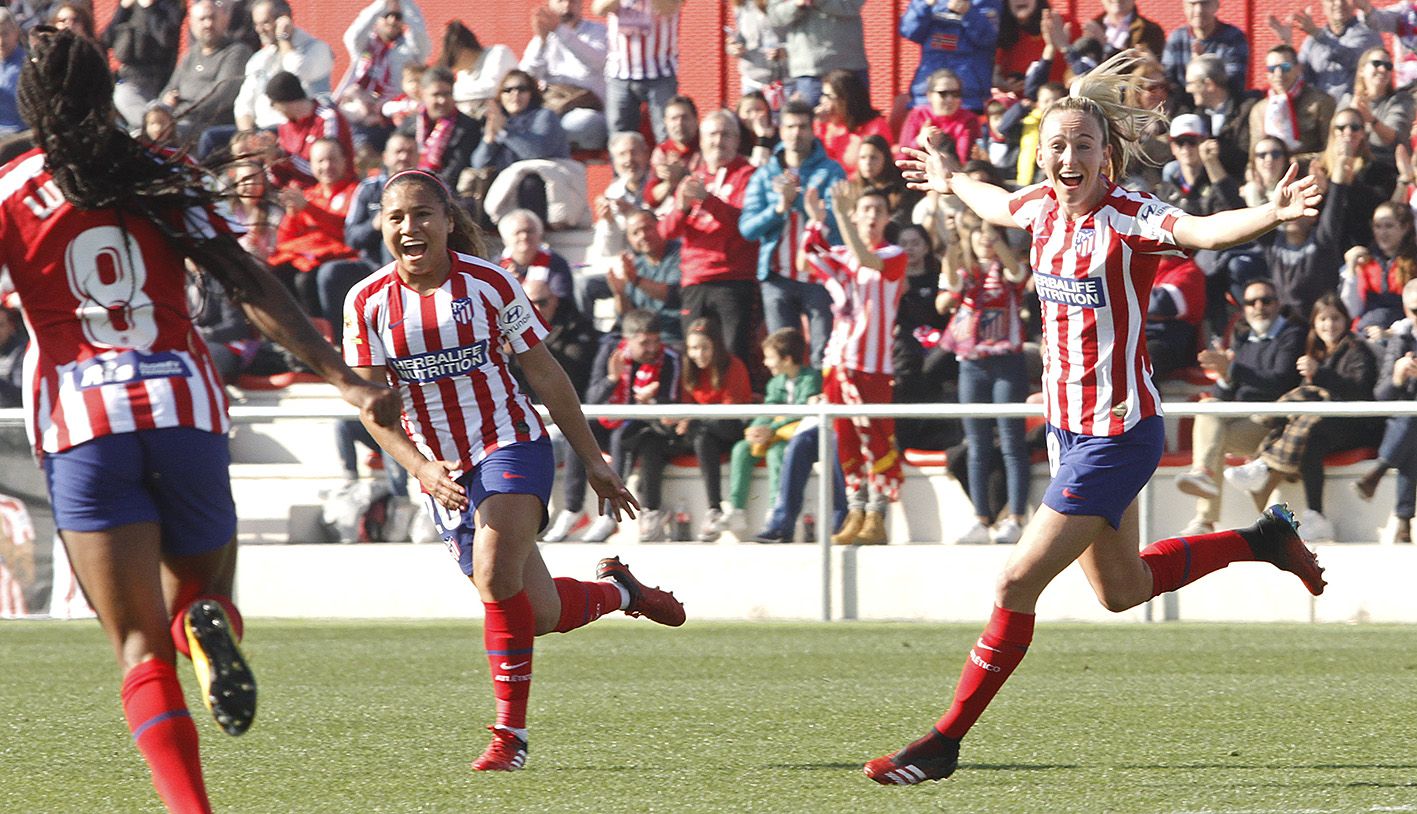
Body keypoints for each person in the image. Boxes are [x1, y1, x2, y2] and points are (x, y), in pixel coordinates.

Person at [869, 50, 1327, 786]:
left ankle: (944, 740)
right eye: (1055, 145)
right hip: (1071, 433)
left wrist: (1272, 212)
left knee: (1015, 583)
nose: (1067, 156)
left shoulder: (1129, 216)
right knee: (1120, 593)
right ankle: (1260, 538)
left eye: (1082, 144)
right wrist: (951, 179)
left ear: (1105, 156)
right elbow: (992, 202)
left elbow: (1204, 231)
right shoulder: (1037, 210)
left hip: (1118, 434)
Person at [0, 29, 398, 812]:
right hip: (183, 403)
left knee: (139, 645)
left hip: (84, 419)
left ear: (32, 102)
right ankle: (206, 621)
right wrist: (344, 379)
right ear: (106, 87)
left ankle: (192, 808)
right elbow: (248, 279)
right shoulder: (161, 170)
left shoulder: (11, 192)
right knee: (201, 602)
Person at [343, 168, 682, 771]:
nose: (410, 227)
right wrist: (420, 468)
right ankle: (620, 591)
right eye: (396, 217)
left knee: (495, 573)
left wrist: (592, 457)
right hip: (440, 471)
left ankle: (510, 739)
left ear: (449, 221)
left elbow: (544, 372)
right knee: (538, 611)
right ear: (382, 227)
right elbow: (372, 405)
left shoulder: (490, 285)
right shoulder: (366, 301)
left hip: (510, 443)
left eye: (423, 214)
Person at [1222, 294, 1378, 542]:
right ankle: (1316, 515)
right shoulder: (1313, 350)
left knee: (1310, 397)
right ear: (1314, 323)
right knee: (1310, 431)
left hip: (1354, 424)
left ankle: (1264, 458)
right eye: (1323, 319)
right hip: (1320, 425)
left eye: (1335, 318)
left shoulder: (1356, 349)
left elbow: (1359, 391)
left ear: (1346, 320)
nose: (1329, 325)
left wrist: (1320, 374)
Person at [801, 182, 907, 546]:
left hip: (873, 365)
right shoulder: (843, 251)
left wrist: (841, 219)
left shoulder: (895, 253)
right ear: (856, 214)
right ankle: (856, 510)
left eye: (878, 210)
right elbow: (809, 257)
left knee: (876, 439)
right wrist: (816, 220)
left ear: (888, 217)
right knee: (845, 441)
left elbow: (868, 260)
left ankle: (878, 514)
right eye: (865, 210)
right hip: (838, 360)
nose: (872, 217)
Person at [1176, 278, 1307, 534]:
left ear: (1278, 304)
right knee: (1209, 406)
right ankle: (1203, 491)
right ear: (1243, 308)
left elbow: (1280, 379)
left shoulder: (1293, 335)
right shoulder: (1244, 339)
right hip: (1243, 419)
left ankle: (1205, 513)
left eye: (1266, 300)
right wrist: (1225, 376)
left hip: (1274, 424)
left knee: (1212, 422)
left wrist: (1233, 368)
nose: (1259, 306)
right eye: (1251, 302)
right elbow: (1225, 395)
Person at [938, 209, 1031, 545]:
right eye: (978, 233)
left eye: (990, 233)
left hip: (1007, 361)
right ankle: (981, 518)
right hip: (971, 363)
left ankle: (1016, 519)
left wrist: (996, 234)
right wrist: (952, 242)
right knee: (976, 444)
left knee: (1011, 442)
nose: (984, 239)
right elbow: (950, 281)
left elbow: (1017, 273)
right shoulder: (967, 270)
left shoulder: (1008, 268)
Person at [740, 98, 847, 367]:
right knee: (782, 353)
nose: (796, 133)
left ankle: (825, 407)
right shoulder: (765, 174)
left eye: (802, 127)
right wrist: (779, 209)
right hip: (777, 277)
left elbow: (841, 221)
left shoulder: (832, 171)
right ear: (781, 130)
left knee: (824, 350)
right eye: (789, 127)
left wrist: (798, 201)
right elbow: (747, 229)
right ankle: (790, 408)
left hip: (820, 275)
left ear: (813, 130)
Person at [659, 109, 761, 374]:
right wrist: (681, 208)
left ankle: (734, 413)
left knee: (732, 351)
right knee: (694, 354)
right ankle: (696, 412)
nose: (719, 141)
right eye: (712, 135)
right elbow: (666, 232)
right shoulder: (693, 178)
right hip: (695, 279)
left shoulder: (749, 175)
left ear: (737, 140)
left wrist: (709, 201)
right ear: (702, 142)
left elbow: (746, 225)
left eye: (726, 134)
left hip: (733, 278)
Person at [729, 327, 822, 536]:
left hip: (795, 437)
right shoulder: (774, 383)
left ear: (787, 359)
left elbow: (801, 412)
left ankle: (775, 508)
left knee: (776, 453)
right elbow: (769, 409)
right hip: (774, 433)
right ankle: (736, 509)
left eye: (770, 358)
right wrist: (755, 428)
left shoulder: (811, 378)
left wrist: (770, 430)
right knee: (741, 449)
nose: (765, 362)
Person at [675, 316, 752, 541]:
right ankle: (714, 508)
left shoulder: (733, 366)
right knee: (700, 437)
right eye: (693, 348)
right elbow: (687, 405)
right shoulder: (689, 369)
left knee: (700, 428)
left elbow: (731, 412)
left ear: (716, 346)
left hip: (732, 426)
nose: (699, 354)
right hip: (705, 431)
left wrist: (692, 418)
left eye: (704, 348)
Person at [1354, 277, 1417, 543]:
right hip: (1405, 422)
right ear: (1406, 311)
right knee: (1411, 428)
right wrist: (1397, 378)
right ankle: (1403, 520)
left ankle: (1379, 471)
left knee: (1410, 424)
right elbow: (1381, 396)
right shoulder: (1400, 341)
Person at [470, 69, 572, 223]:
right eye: (508, 90)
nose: (515, 94)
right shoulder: (499, 120)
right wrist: (489, 139)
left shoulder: (544, 116)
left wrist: (505, 132)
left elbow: (536, 152)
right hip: (506, 191)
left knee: (529, 183)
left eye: (522, 89)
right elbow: (478, 163)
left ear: (531, 93)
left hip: (540, 188)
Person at [231, 0, 335, 134]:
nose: (259, 30)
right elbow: (243, 103)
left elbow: (295, 75)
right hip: (261, 131)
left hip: (300, 130)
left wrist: (284, 38)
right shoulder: (259, 59)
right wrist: (247, 135)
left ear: (284, 19)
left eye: (265, 23)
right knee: (211, 138)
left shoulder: (317, 49)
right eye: (256, 24)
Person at [519, 0, 609, 152]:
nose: (567, 7)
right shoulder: (543, 38)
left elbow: (597, 61)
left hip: (586, 111)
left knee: (584, 122)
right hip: (552, 111)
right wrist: (541, 41)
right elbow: (525, 76)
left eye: (573, 1)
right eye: (560, 1)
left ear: (581, 5)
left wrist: (560, 31)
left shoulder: (598, 32)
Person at [159, 0, 252, 141]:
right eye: (202, 19)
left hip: (211, 126)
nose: (208, 24)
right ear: (192, 23)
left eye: (212, 18)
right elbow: (169, 90)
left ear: (224, 20)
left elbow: (220, 96)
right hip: (180, 120)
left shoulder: (237, 51)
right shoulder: (190, 55)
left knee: (163, 134)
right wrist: (164, 106)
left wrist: (177, 112)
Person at [594, 0, 682, 142]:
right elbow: (600, 9)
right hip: (620, 73)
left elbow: (668, 7)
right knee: (619, 136)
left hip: (659, 72)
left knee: (666, 133)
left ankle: (668, 164)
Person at [899, 0, 1001, 114]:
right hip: (927, 99)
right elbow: (908, 30)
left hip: (968, 100)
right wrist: (925, 5)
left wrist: (968, 12)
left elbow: (988, 37)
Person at [1271, 0, 1382, 102]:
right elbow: (1298, 76)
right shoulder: (1312, 40)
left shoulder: (1368, 32)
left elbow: (1350, 58)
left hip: (1354, 115)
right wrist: (1287, 43)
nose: (1339, 3)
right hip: (1321, 114)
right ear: (1323, 5)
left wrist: (1317, 34)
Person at [766, 0, 867, 107]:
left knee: (859, 118)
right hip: (810, 70)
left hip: (850, 65)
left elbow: (855, 5)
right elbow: (774, 16)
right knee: (811, 119)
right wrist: (796, 4)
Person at [396, 66, 481, 193]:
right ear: (423, 94)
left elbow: (456, 169)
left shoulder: (468, 127)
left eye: (447, 94)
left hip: (445, 192)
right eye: (436, 95)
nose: (442, 100)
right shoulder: (409, 124)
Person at [102, 0, 184, 131]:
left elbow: (167, 38)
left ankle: (154, 128)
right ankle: (149, 128)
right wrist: (122, 10)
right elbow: (106, 39)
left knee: (121, 95)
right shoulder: (130, 7)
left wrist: (149, 8)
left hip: (156, 79)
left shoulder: (169, 5)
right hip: (127, 77)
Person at [1248, 44, 1336, 160]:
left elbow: (1331, 150)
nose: (1278, 74)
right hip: (1270, 172)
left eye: (1285, 67)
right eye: (1272, 69)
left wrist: (1295, 162)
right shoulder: (1259, 110)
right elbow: (1254, 157)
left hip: (1309, 172)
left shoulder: (1320, 102)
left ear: (1298, 68)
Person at [1336, 46, 1414, 176]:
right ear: (1362, 70)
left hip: (1387, 170)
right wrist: (1352, 116)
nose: (1383, 69)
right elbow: (1335, 138)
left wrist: (1369, 118)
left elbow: (1394, 138)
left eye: (1388, 66)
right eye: (1377, 64)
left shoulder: (1401, 100)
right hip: (1351, 167)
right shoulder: (1347, 101)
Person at [813, 69, 892, 178]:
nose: (823, 101)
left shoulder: (875, 127)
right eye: (823, 95)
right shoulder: (824, 125)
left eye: (829, 96)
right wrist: (819, 125)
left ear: (846, 99)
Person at [1161, 0, 1249, 97]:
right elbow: (1168, 80)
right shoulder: (1176, 38)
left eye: (1205, 3)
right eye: (1192, 4)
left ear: (1217, 5)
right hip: (1183, 105)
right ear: (1184, 7)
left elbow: (1235, 81)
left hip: (1222, 107)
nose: (1198, 10)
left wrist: (1203, 67)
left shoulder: (1233, 37)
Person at [898, 68, 979, 166]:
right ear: (929, 96)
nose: (950, 99)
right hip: (918, 173)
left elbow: (964, 161)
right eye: (943, 94)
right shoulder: (917, 114)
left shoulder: (969, 119)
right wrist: (919, 141)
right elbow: (901, 159)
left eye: (955, 94)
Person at [438, 20, 517, 119]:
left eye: (453, 60)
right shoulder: (463, 73)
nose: (454, 68)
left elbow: (493, 89)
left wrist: (448, 92)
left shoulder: (498, 53)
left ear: (463, 50)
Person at [0, 10, 25, 136]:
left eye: (5, 34)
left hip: (21, 134)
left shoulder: (28, 64)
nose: (1, 41)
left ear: (16, 33)